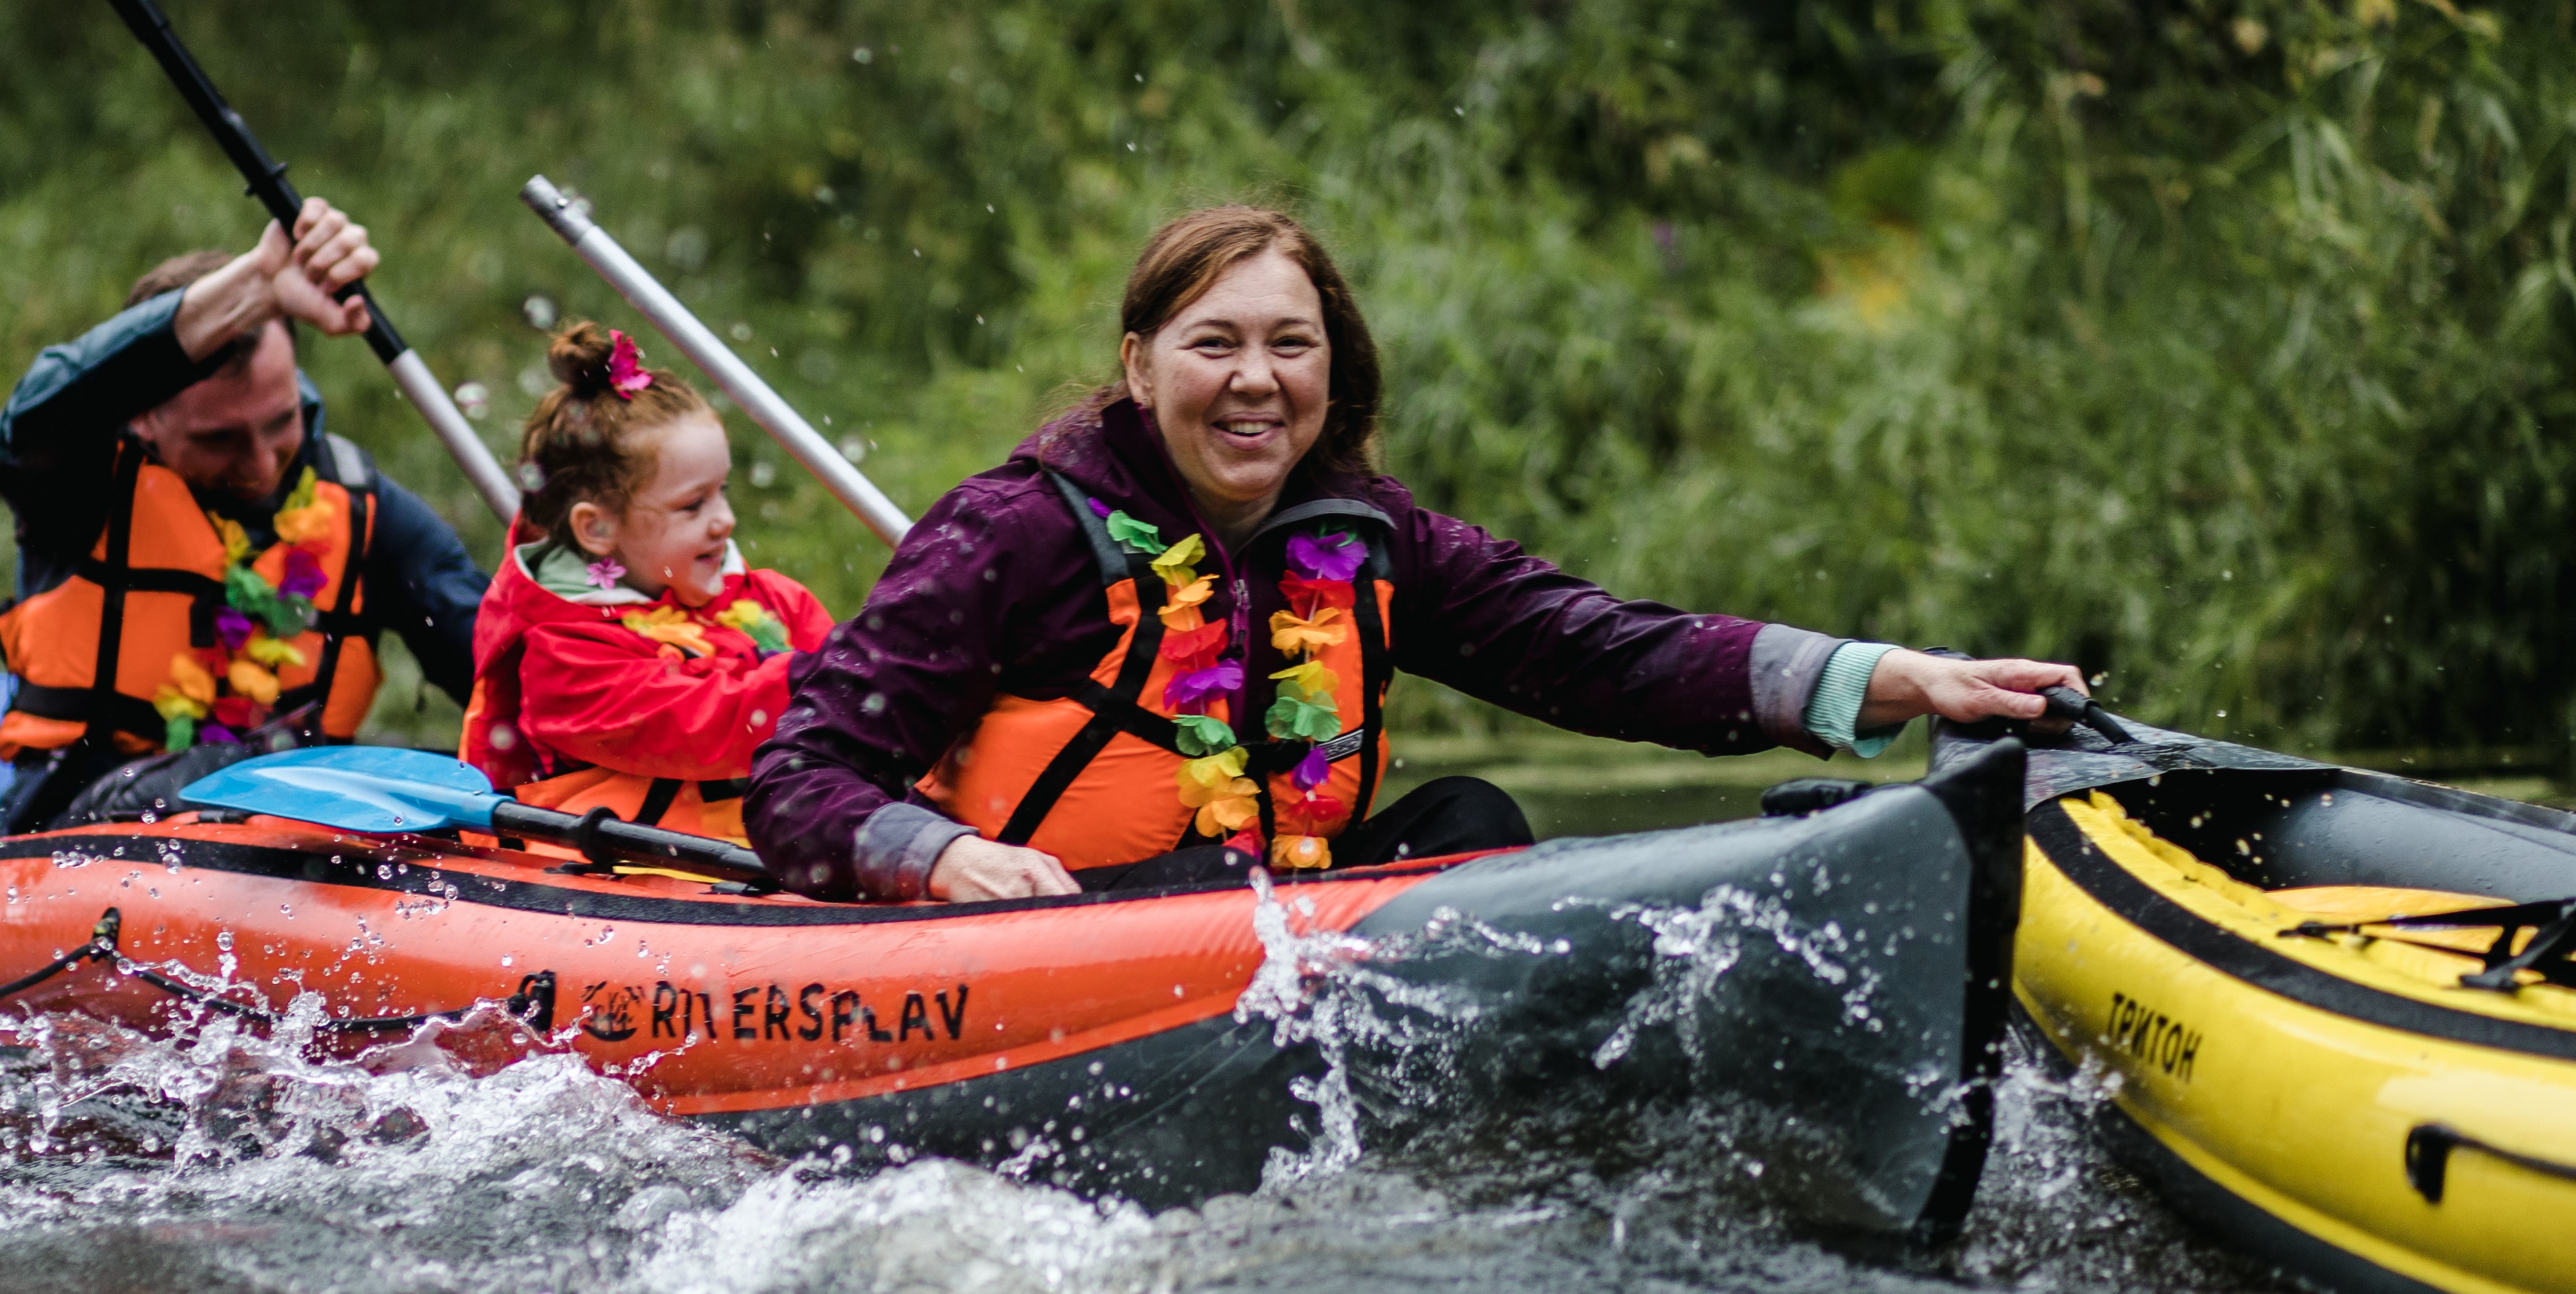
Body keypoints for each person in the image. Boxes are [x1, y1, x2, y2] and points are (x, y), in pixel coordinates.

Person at [746, 204, 2081, 902]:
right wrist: (938, 859)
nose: (1256, 382)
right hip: (1065, 947)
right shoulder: (1015, 529)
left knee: (1472, 827)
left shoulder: (1376, 540)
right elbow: (805, 774)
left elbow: (1609, 656)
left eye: (1292, 344)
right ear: (1141, 366)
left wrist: (1897, 679)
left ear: (1335, 365)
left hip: (1284, 938)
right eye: (1216, 345)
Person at [0, 200, 486, 830]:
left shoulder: (365, 512)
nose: (259, 464)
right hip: (82, 837)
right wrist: (259, 285)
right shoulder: (76, 488)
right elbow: (40, 413)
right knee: (218, 776)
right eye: (219, 440)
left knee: (432, 779)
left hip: (289, 844)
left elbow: (499, 670)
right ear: (141, 417)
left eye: (281, 423)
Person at [460, 323, 832, 844]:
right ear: (598, 529)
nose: (724, 519)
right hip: (631, 890)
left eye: (722, 491)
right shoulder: (563, 659)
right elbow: (707, 727)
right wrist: (839, 678)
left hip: (771, 864)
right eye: (693, 504)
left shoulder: (775, 601)